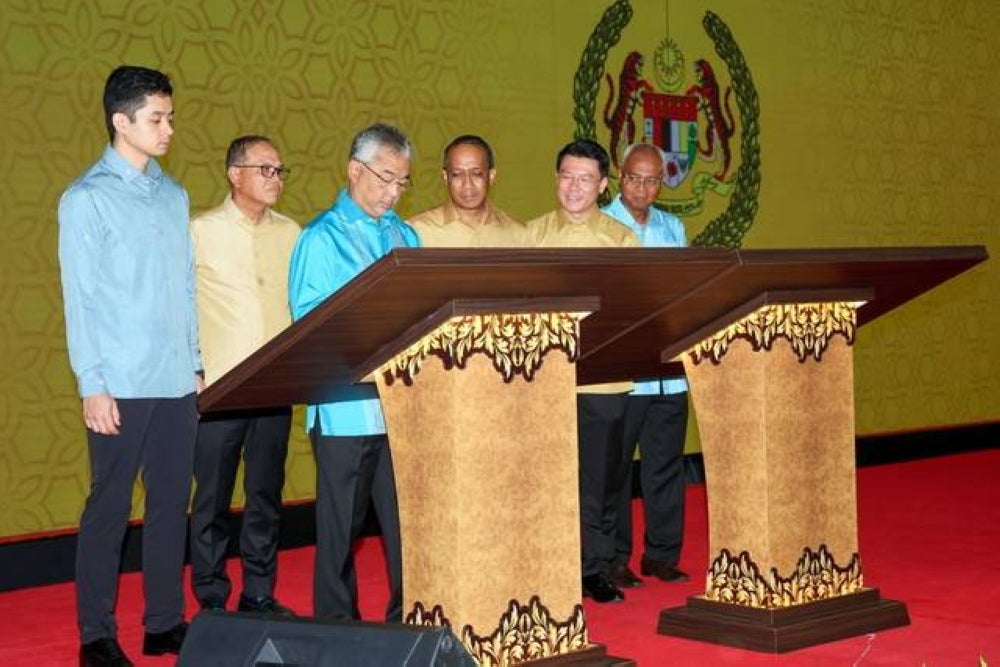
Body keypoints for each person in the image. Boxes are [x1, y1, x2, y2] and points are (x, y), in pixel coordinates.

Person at [58, 65, 201, 667]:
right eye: (156, 119)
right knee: (110, 507)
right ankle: (96, 634)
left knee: (171, 503)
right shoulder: (85, 198)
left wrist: (195, 364)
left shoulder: (174, 196)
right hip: (119, 382)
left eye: (169, 117)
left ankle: (164, 623)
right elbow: (81, 299)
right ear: (122, 122)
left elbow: (185, 288)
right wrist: (93, 384)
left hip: (174, 380)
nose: (168, 129)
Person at [287, 123, 419, 622]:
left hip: (402, 408)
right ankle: (337, 629)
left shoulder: (405, 235)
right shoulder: (319, 238)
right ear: (353, 170)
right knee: (340, 529)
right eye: (385, 178)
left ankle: (411, 618)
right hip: (346, 411)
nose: (392, 193)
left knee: (408, 526)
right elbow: (308, 324)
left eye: (402, 182)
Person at [188, 136, 300, 615]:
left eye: (279, 171)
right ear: (236, 173)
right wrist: (191, 368)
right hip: (219, 387)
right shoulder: (199, 231)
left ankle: (259, 592)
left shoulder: (291, 233)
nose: (275, 179)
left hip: (275, 385)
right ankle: (211, 597)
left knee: (265, 496)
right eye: (265, 170)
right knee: (211, 498)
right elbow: (179, 307)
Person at [525, 139, 640, 604]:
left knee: (598, 480)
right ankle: (547, 565)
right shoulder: (529, 236)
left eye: (586, 179)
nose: (575, 187)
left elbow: (632, 310)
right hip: (541, 382)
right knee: (544, 478)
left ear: (603, 185)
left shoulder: (621, 241)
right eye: (567, 177)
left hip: (602, 380)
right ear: (556, 179)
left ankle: (594, 568)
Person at [602, 143, 690, 588]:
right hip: (623, 374)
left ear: (662, 182)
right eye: (635, 178)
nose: (643, 187)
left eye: (653, 180)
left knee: (666, 464)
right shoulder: (602, 226)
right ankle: (616, 558)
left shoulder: (674, 227)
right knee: (617, 468)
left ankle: (662, 554)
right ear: (620, 177)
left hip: (670, 371)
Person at [408, 134, 528, 246]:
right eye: (457, 174)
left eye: (476, 174)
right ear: (446, 178)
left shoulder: (517, 234)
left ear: (491, 176)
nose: (468, 184)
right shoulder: (416, 232)